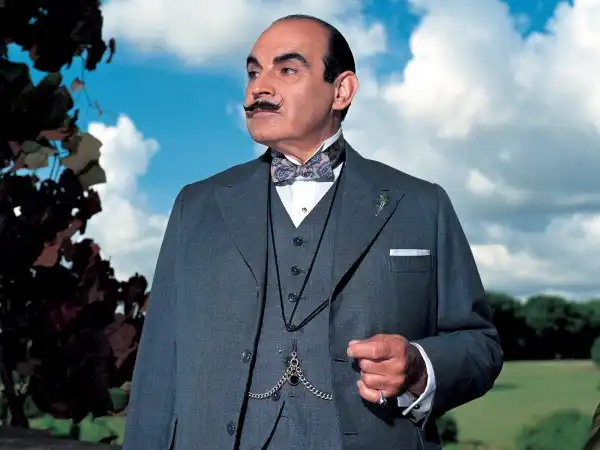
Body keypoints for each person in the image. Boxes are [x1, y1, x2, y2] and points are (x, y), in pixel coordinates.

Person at [123, 14, 503, 450]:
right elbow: (157, 371)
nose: (258, 88)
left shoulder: (422, 204)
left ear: (341, 90)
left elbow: (480, 346)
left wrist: (419, 365)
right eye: (253, 72)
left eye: (286, 69)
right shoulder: (195, 206)